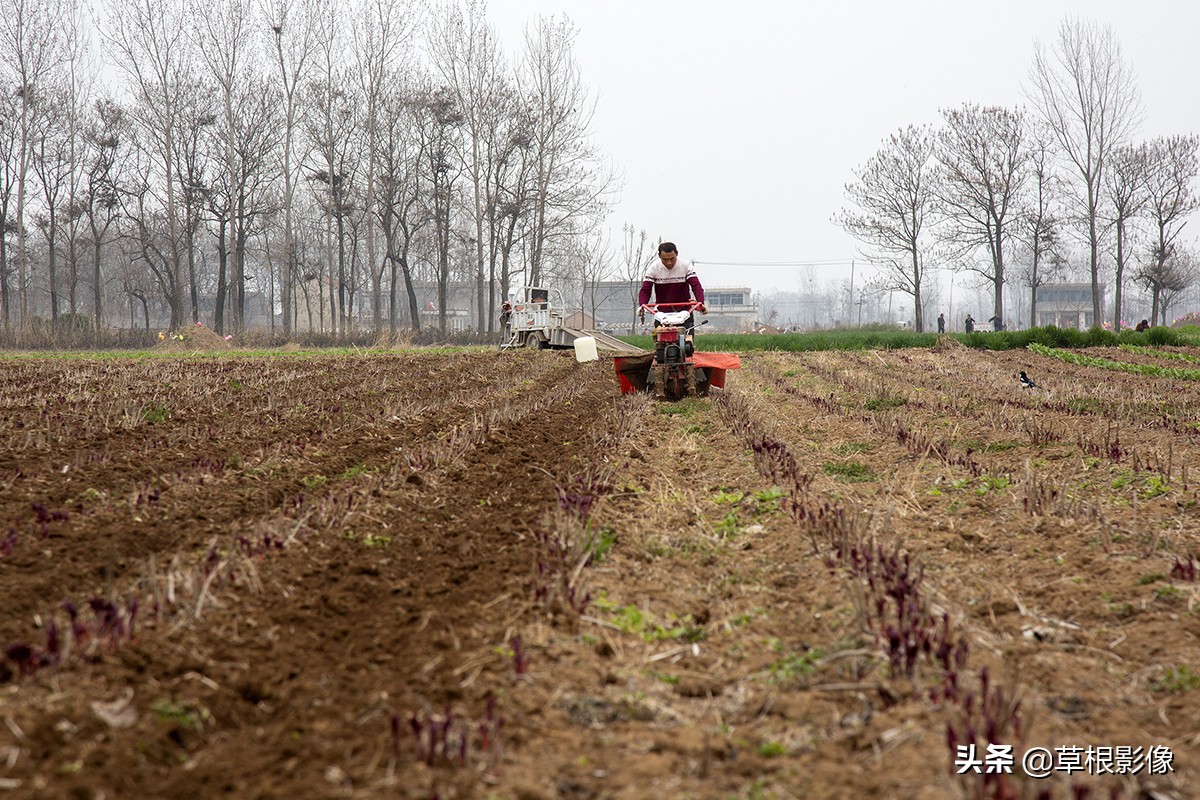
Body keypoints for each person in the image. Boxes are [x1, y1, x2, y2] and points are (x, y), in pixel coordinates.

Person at [637, 242, 706, 336]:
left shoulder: (685, 266)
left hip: (684, 312)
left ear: (676, 254)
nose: (669, 263)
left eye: (672, 259)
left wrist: (700, 302)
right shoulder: (653, 269)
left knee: (688, 341)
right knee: (660, 341)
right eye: (665, 259)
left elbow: (696, 286)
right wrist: (642, 305)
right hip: (662, 313)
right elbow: (645, 290)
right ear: (659, 256)